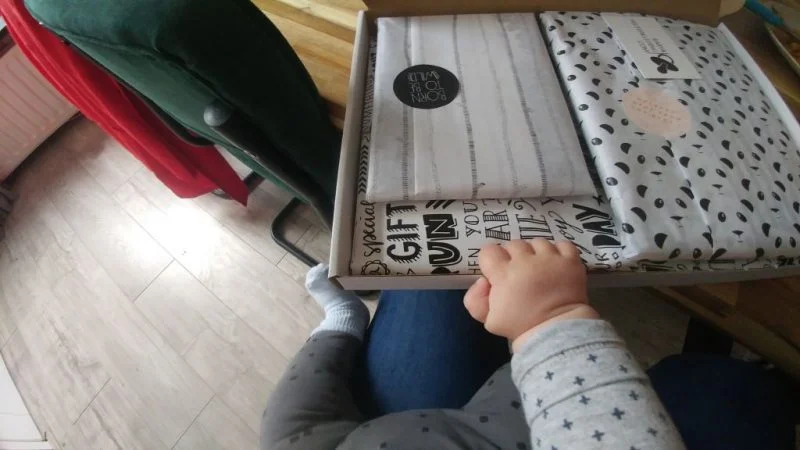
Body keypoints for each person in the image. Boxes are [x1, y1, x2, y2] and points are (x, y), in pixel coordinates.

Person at [261, 239, 796, 450]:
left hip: (425, 423)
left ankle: (342, 320)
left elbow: (296, 429)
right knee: (729, 394)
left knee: (438, 262)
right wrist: (552, 318)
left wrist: (340, 323)